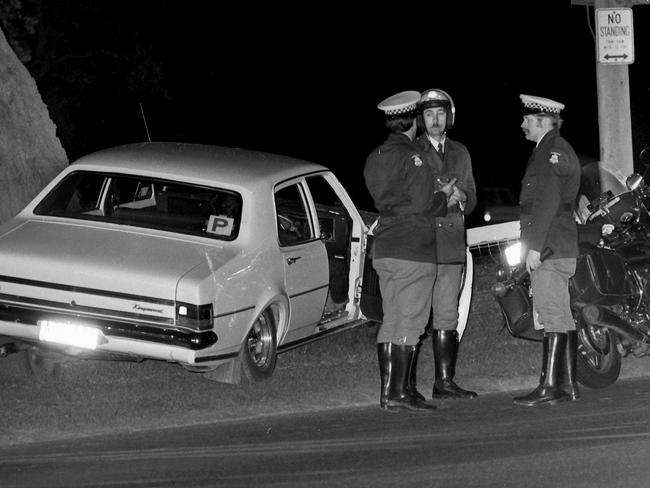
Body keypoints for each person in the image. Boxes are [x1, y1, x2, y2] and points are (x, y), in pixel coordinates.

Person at [364, 90, 456, 412]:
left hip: (386, 247)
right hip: (412, 249)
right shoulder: (413, 158)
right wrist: (442, 196)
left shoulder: (375, 157)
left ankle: (390, 391)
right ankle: (399, 393)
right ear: (414, 122)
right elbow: (423, 205)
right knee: (412, 322)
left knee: (391, 320)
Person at [513, 94, 581, 407]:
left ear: (542, 121)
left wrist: (534, 248)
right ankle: (568, 386)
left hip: (550, 246)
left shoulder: (548, 151)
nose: (523, 124)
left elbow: (547, 203)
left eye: (527, 119)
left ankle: (550, 387)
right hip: (563, 244)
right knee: (562, 316)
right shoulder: (556, 148)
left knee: (552, 316)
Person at [415, 88, 478, 399]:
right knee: (414, 312)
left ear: (448, 117)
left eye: (440, 114)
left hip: (451, 243)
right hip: (422, 245)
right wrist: (445, 193)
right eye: (429, 114)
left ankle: (444, 382)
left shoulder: (461, 152)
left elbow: (472, 196)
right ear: (421, 118)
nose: (435, 120)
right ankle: (403, 386)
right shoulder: (411, 153)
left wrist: (461, 195)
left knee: (446, 313)